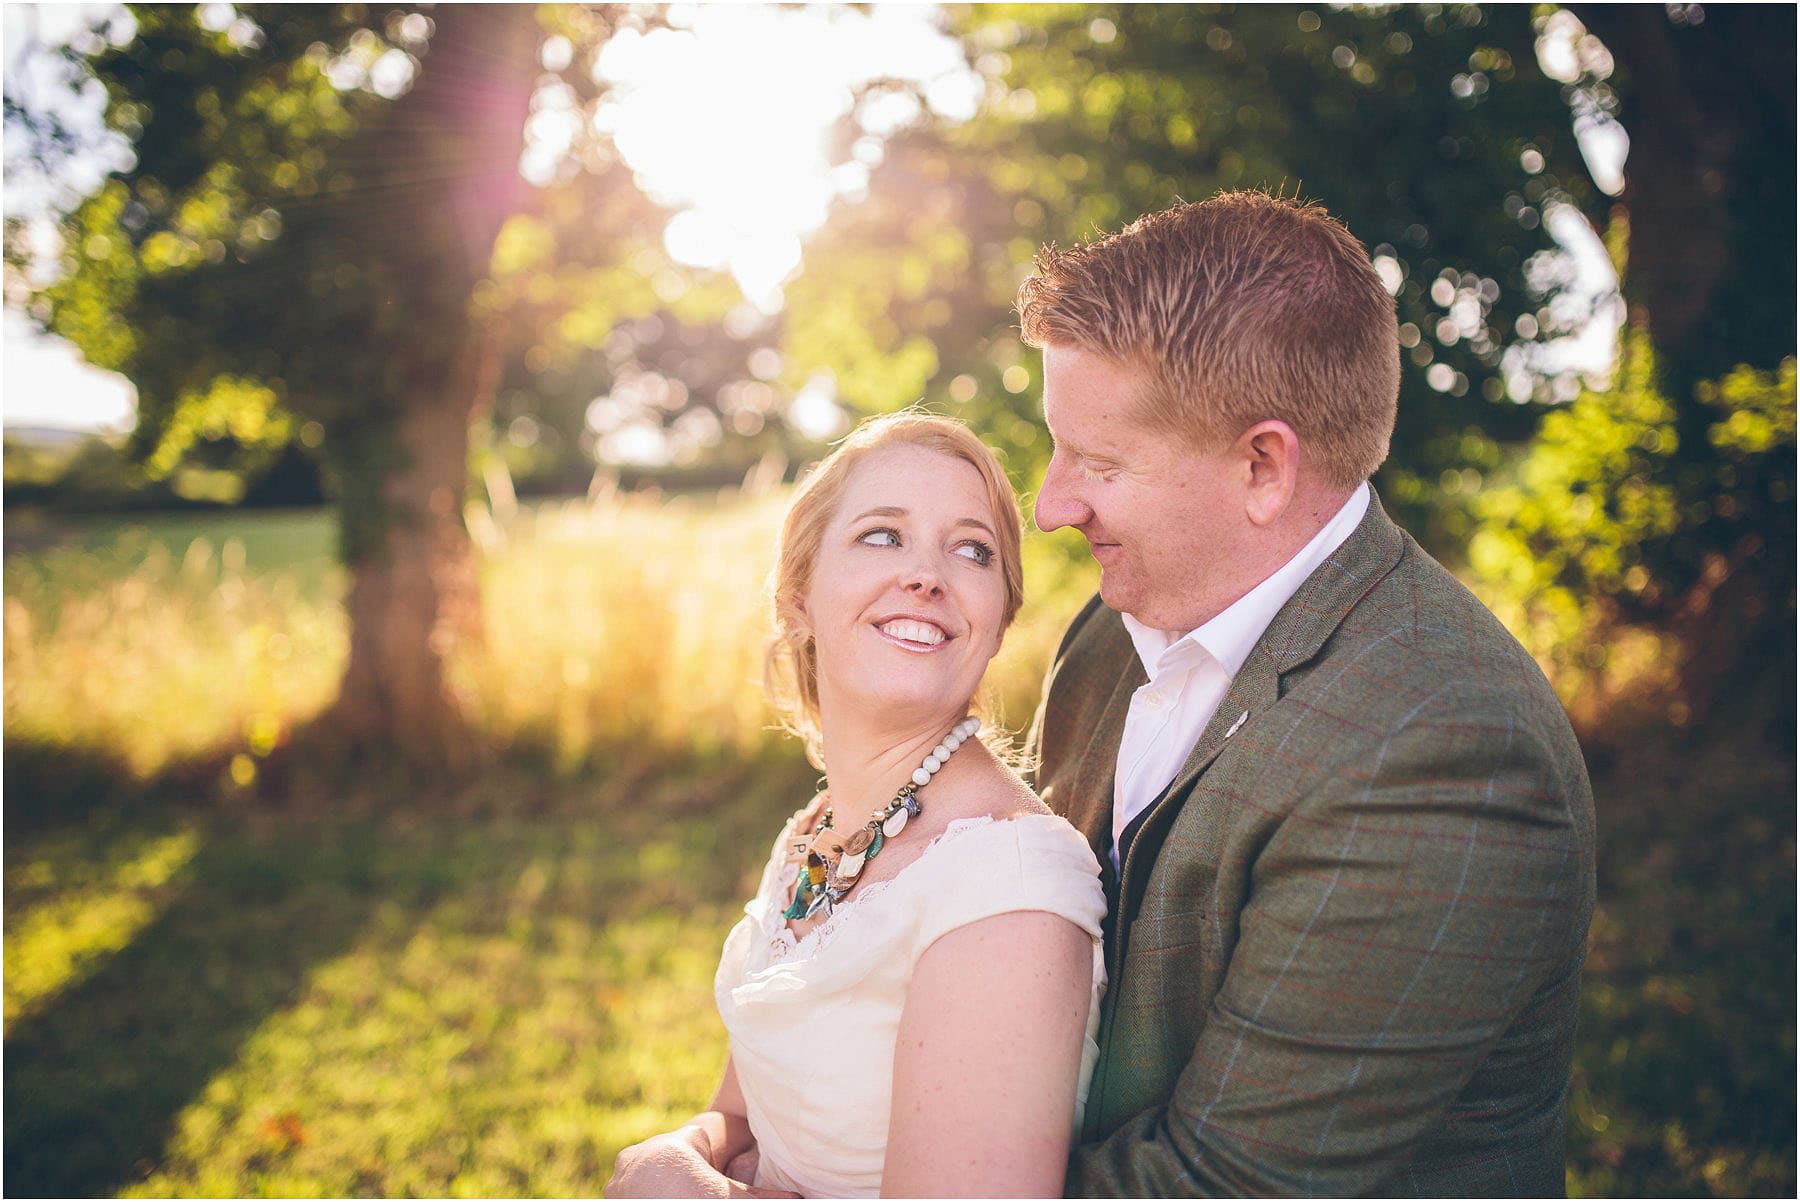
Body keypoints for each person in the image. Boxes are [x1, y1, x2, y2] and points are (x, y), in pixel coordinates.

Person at [1019, 189, 1597, 1195]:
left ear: (1263, 465)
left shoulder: (1448, 752)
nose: (1051, 503)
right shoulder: (1112, 629)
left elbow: (1226, 1185)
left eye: (1099, 461)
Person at [604, 413, 1107, 1198]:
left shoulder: (1005, 885)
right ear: (798, 594)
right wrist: (670, 1154)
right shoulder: (817, 835)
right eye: (882, 535)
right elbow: (740, 1112)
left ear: (999, 620)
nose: (926, 575)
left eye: (972, 550)